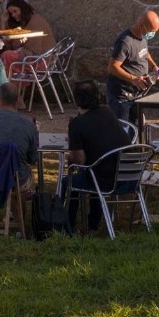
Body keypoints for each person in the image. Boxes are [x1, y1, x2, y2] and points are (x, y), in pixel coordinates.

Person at [64, 81, 131, 231]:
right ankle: (93, 223)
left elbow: (79, 161)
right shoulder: (107, 112)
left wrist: (71, 149)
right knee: (95, 171)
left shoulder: (77, 123)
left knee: (68, 182)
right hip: (129, 176)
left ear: (76, 100)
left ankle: (67, 226)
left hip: (104, 181)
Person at [106, 9, 159, 122]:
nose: (152, 34)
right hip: (122, 96)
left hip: (136, 94)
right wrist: (134, 79)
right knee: (123, 129)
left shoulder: (142, 37)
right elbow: (112, 67)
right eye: (151, 31)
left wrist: (154, 66)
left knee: (137, 128)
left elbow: (145, 52)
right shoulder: (125, 41)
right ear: (142, 26)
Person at [0, 0, 56, 78]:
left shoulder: (35, 22)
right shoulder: (29, 20)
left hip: (42, 62)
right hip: (43, 59)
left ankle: (10, 87)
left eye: (15, 11)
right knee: (6, 55)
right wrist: (3, 21)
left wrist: (14, 43)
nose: (13, 15)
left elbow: (32, 50)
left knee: (6, 55)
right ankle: (10, 87)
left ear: (22, 8)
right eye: (11, 13)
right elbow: (13, 44)